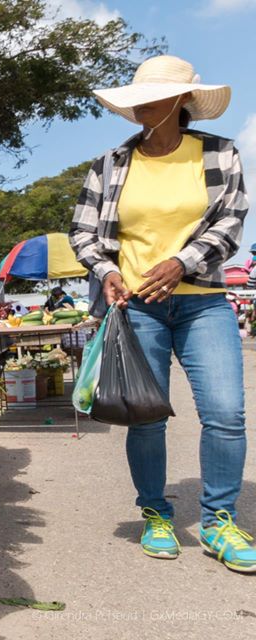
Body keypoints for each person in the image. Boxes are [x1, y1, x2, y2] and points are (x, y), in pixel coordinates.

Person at [70, 55, 253, 572]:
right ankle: (156, 513)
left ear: (181, 102)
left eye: (152, 95)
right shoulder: (108, 164)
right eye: (137, 97)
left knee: (225, 414)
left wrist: (182, 262)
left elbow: (230, 223)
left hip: (203, 305)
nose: (141, 105)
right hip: (135, 309)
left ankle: (219, 520)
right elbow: (83, 233)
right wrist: (105, 271)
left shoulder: (218, 154)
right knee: (144, 418)